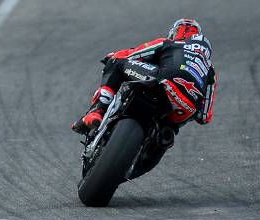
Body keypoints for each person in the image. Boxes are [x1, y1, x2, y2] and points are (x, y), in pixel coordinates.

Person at [72, 18, 217, 135]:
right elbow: (204, 116)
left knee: (117, 63)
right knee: (169, 130)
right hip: (184, 109)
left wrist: (112, 57)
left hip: (163, 83)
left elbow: (133, 55)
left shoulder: (169, 43)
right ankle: (159, 137)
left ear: (174, 33)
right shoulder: (210, 71)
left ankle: (97, 111)